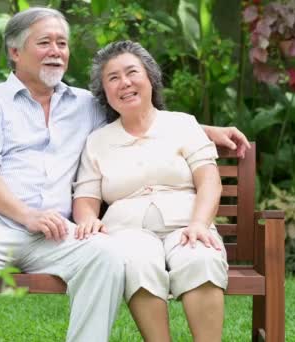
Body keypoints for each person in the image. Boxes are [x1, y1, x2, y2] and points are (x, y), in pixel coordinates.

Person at [0, 7, 250, 342]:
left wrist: (205, 131)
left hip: (54, 233)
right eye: (45, 43)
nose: (56, 51)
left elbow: (139, 117)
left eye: (62, 43)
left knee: (108, 257)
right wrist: (27, 215)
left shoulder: (84, 105)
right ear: (15, 52)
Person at [73, 40, 235, 342]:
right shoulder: (97, 141)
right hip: (127, 230)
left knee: (201, 257)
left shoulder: (183, 125)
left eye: (132, 72)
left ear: (150, 78)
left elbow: (209, 180)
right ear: (105, 93)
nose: (125, 83)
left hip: (188, 223)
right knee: (135, 261)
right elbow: (86, 196)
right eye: (113, 78)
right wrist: (86, 219)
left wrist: (199, 223)